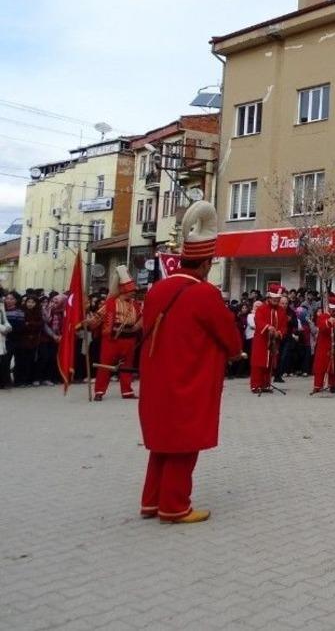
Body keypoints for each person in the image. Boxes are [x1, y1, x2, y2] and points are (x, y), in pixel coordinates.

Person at [138, 201, 242, 524]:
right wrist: (236, 352)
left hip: (157, 380)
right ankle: (174, 505)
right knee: (183, 443)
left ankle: (151, 501)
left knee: (162, 443)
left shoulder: (157, 289)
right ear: (206, 262)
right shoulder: (204, 294)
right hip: (189, 379)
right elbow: (230, 337)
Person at [92, 265, 142, 401]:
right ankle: (99, 391)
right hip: (112, 339)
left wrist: (137, 326)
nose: (134, 292)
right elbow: (98, 317)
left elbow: (142, 318)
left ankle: (127, 391)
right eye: (131, 290)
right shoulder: (110, 304)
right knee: (105, 365)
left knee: (127, 366)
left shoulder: (135, 305)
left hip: (129, 339)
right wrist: (87, 324)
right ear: (124, 289)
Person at [250, 283, 286, 394]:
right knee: (259, 362)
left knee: (270, 362)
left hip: (274, 341)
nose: (276, 300)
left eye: (278, 298)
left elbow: (284, 326)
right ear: (269, 297)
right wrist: (268, 327)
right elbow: (258, 321)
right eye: (274, 298)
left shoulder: (281, 310)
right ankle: (256, 385)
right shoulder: (261, 308)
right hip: (261, 339)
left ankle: (266, 384)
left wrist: (279, 332)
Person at [311, 295, 335, 394]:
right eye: (334, 309)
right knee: (320, 365)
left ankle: (333, 385)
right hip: (324, 345)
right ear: (330, 308)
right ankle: (318, 385)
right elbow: (321, 327)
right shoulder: (323, 316)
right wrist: (328, 322)